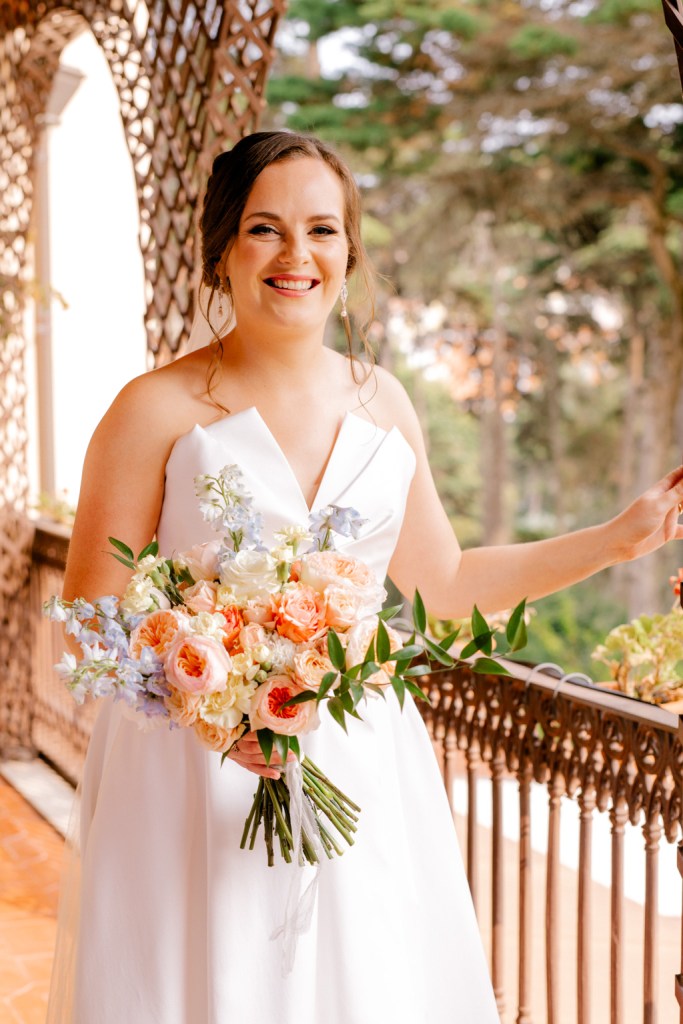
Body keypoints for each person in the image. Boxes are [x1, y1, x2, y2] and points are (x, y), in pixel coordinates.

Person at [49, 131, 683, 1023]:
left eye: (322, 229)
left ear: (349, 252)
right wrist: (214, 708)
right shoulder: (152, 408)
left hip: (359, 753)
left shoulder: (382, 400)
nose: (296, 255)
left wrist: (615, 541)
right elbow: (90, 615)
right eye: (266, 229)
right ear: (222, 248)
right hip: (194, 775)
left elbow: (446, 583)